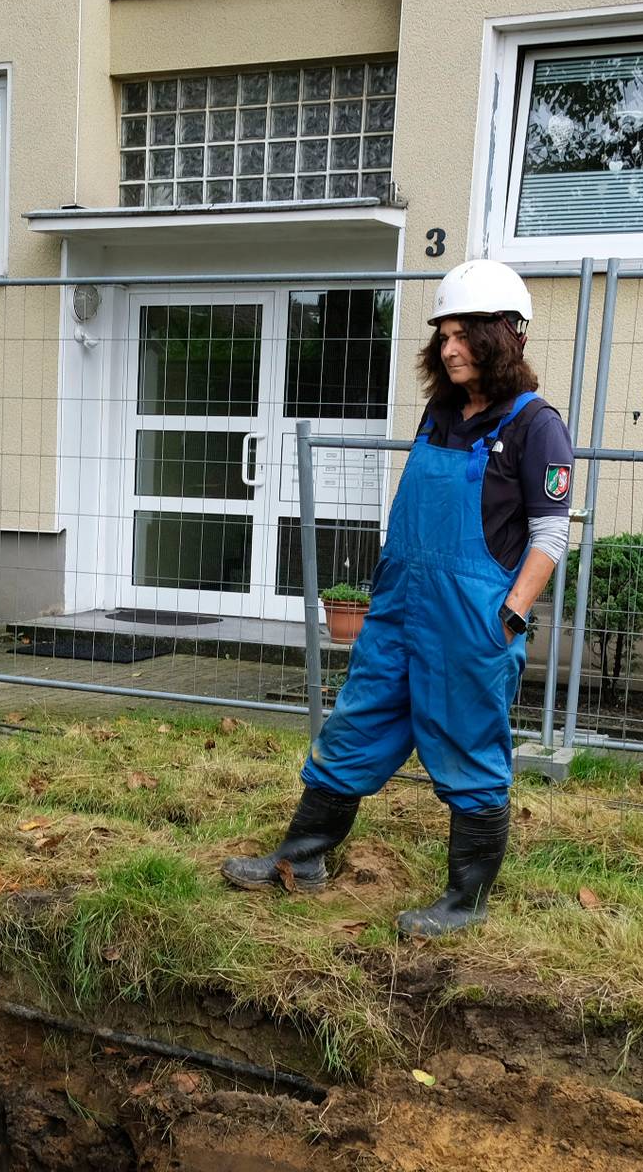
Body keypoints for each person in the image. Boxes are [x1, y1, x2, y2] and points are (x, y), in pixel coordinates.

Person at [220, 259, 572, 938]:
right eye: (442, 334)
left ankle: (464, 902)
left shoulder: (535, 425)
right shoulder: (440, 411)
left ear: (506, 335)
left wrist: (510, 613)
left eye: (464, 333)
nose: (448, 348)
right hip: (399, 610)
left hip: (471, 623)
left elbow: (550, 533)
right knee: (352, 729)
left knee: (469, 753)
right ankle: (302, 860)